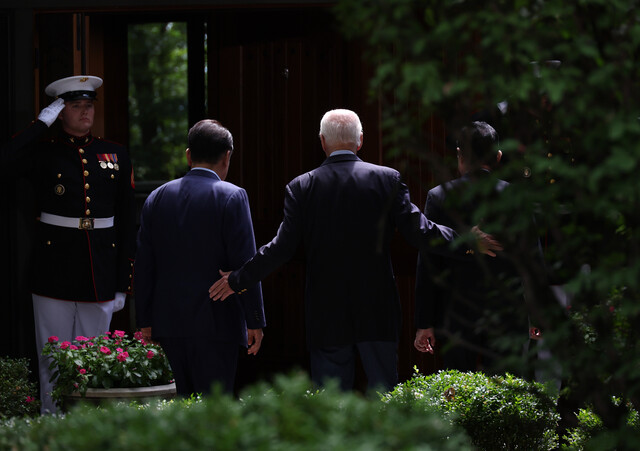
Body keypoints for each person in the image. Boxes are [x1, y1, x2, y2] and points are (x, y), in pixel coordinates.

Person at [209, 109, 501, 393]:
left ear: (322, 141)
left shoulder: (301, 187)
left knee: (332, 406)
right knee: (385, 398)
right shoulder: (387, 179)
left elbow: (280, 249)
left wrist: (238, 279)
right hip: (377, 310)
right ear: (360, 140)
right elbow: (421, 231)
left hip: (326, 314)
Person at [0, 75, 136, 413]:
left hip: (100, 269)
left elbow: (127, 223)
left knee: (94, 358)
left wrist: (123, 283)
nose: (85, 112)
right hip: (54, 268)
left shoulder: (115, 154)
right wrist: (38, 126)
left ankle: (87, 428)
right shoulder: (43, 152)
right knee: (53, 357)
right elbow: (4, 161)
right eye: (75, 106)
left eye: (88, 105)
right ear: (60, 112)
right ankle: (52, 424)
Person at [135, 119, 265, 397]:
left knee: (180, 408)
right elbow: (246, 263)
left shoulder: (156, 197)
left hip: (168, 322)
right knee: (213, 414)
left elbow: (145, 264)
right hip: (217, 323)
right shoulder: (233, 196)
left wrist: (145, 319)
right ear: (227, 155)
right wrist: (254, 319)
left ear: (188, 155)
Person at [413, 121, 529, 372]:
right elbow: (532, 260)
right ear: (498, 157)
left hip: (455, 314)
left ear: (459, 155)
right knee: (506, 396)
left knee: (457, 395)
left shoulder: (439, 196)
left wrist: (425, 322)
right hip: (507, 314)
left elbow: (428, 263)